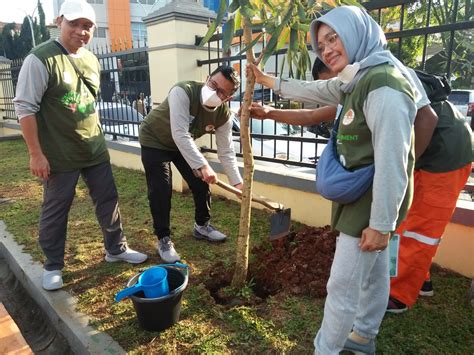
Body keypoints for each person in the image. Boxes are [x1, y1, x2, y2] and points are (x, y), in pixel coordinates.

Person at [247, 6, 419, 354]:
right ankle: (364, 336)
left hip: (372, 204)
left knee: (341, 285)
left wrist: (381, 224)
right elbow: (316, 90)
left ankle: (325, 349)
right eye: (320, 43)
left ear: (356, 35)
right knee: (373, 276)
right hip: (362, 195)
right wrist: (270, 82)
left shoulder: (384, 86)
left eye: (332, 38)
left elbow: (393, 162)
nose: (325, 49)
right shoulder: (356, 78)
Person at [13, 0, 147, 291]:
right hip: (59, 155)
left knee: (108, 202)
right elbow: (25, 108)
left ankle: (116, 249)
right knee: (56, 209)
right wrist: (36, 154)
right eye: (74, 23)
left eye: (87, 26)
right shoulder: (41, 59)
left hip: (94, 148)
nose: (81, 31)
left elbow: (89, 102)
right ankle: (53, 265)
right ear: (60, 21)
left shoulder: (91, 59)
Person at [139, 65, 243, 263]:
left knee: (200, 183)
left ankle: (202, 226)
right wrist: (202, 166)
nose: (215, 92)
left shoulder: (223, 117)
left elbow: (226, 151)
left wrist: (237, 184)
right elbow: (179, 133)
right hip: (154, 139)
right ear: (206, 78)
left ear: (228, 98)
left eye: (222, 92)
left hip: (181, 144)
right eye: (213, 84)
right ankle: (163, 238)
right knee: (161, 188)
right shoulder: (183, 91)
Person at [387, 80, 472, 313]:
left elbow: (427, 120)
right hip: (430, 152)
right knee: (404, 222)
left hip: (445, 157)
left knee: (420, 231)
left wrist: (403, 166)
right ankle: (419, 279)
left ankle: (398, 296)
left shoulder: (382, 75)